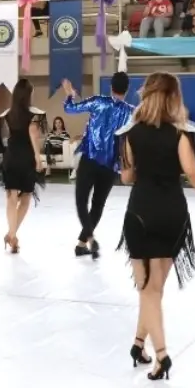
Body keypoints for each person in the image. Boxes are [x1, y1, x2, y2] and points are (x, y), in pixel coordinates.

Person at [117, 72, 195, 381]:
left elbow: (126, 177)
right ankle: (138, 344)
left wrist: (139, 169)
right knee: (154, 290)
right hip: (173, 213)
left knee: (146, 290)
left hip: (140, 213)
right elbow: (192, 171)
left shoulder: (130, 133)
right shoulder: (181, 133)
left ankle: (161, 355)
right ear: (174, 97)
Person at [62, 72, 135, 259]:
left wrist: (69, 93)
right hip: (110, 165)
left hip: (90, 159)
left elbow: (70, 109)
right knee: (97, 205)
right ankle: (82, 243)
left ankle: (89, 238)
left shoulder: (97, 101)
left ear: (111, 86)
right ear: (127, 89)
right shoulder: (131, 112)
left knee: (81, 200)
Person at [0, 78, 47, 254]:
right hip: (26, 158)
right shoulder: (34, 114)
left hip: (11, 157)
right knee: (25, 198)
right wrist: (38, 157)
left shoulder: (7, 114)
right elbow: (33, 135)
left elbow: (13, 135)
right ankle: (12, 234)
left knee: (11, 197)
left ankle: (11, 235)